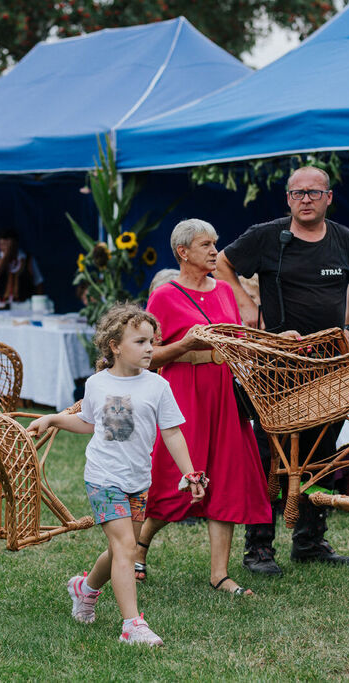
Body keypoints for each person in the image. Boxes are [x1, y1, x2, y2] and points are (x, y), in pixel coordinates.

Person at [216, 165, 349, 573]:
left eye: (314, 193)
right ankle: (259, 547)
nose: (306, 199)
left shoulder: (344, 239)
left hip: (329, 364)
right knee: (271, 456)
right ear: (288, 198)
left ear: (328, 198)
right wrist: (246, 305)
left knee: (320, 454)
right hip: (277, 366)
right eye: (298, 192)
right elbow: (223, 263)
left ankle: (309, 540)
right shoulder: (267, 236)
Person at [26, 303, 206, 647]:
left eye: (152, 341)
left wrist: (191, 473)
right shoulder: (96, 383)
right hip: (103, 478)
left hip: (138, 481)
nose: (150, 348)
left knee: (119, 550)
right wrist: (52, 419)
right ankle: (132, 625)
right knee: (126, 547)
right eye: (140, 342)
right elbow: (89, 423)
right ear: (115, 346)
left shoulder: (157, 386)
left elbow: (172, 433)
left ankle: (85, 587)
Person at [135, 219, 272, 596]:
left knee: (225, 477)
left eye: (215, 243)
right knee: (176, 476)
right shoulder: (164, 295)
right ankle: (140, 546)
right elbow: (147, 354)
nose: (215, 251)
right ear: (183, 252)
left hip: (224, 391)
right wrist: (184, 346)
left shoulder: (227, 290)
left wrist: (266, 342)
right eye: (205, 245)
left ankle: (219, 574)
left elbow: (238, 339)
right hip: (182, 391)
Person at [0, 228, 44, 302]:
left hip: (24, 305)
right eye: (2, 244)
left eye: (7, 245)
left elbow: (39, 283)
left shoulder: (28, 259)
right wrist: (6, 255)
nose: (3, 248)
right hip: (1, 304)